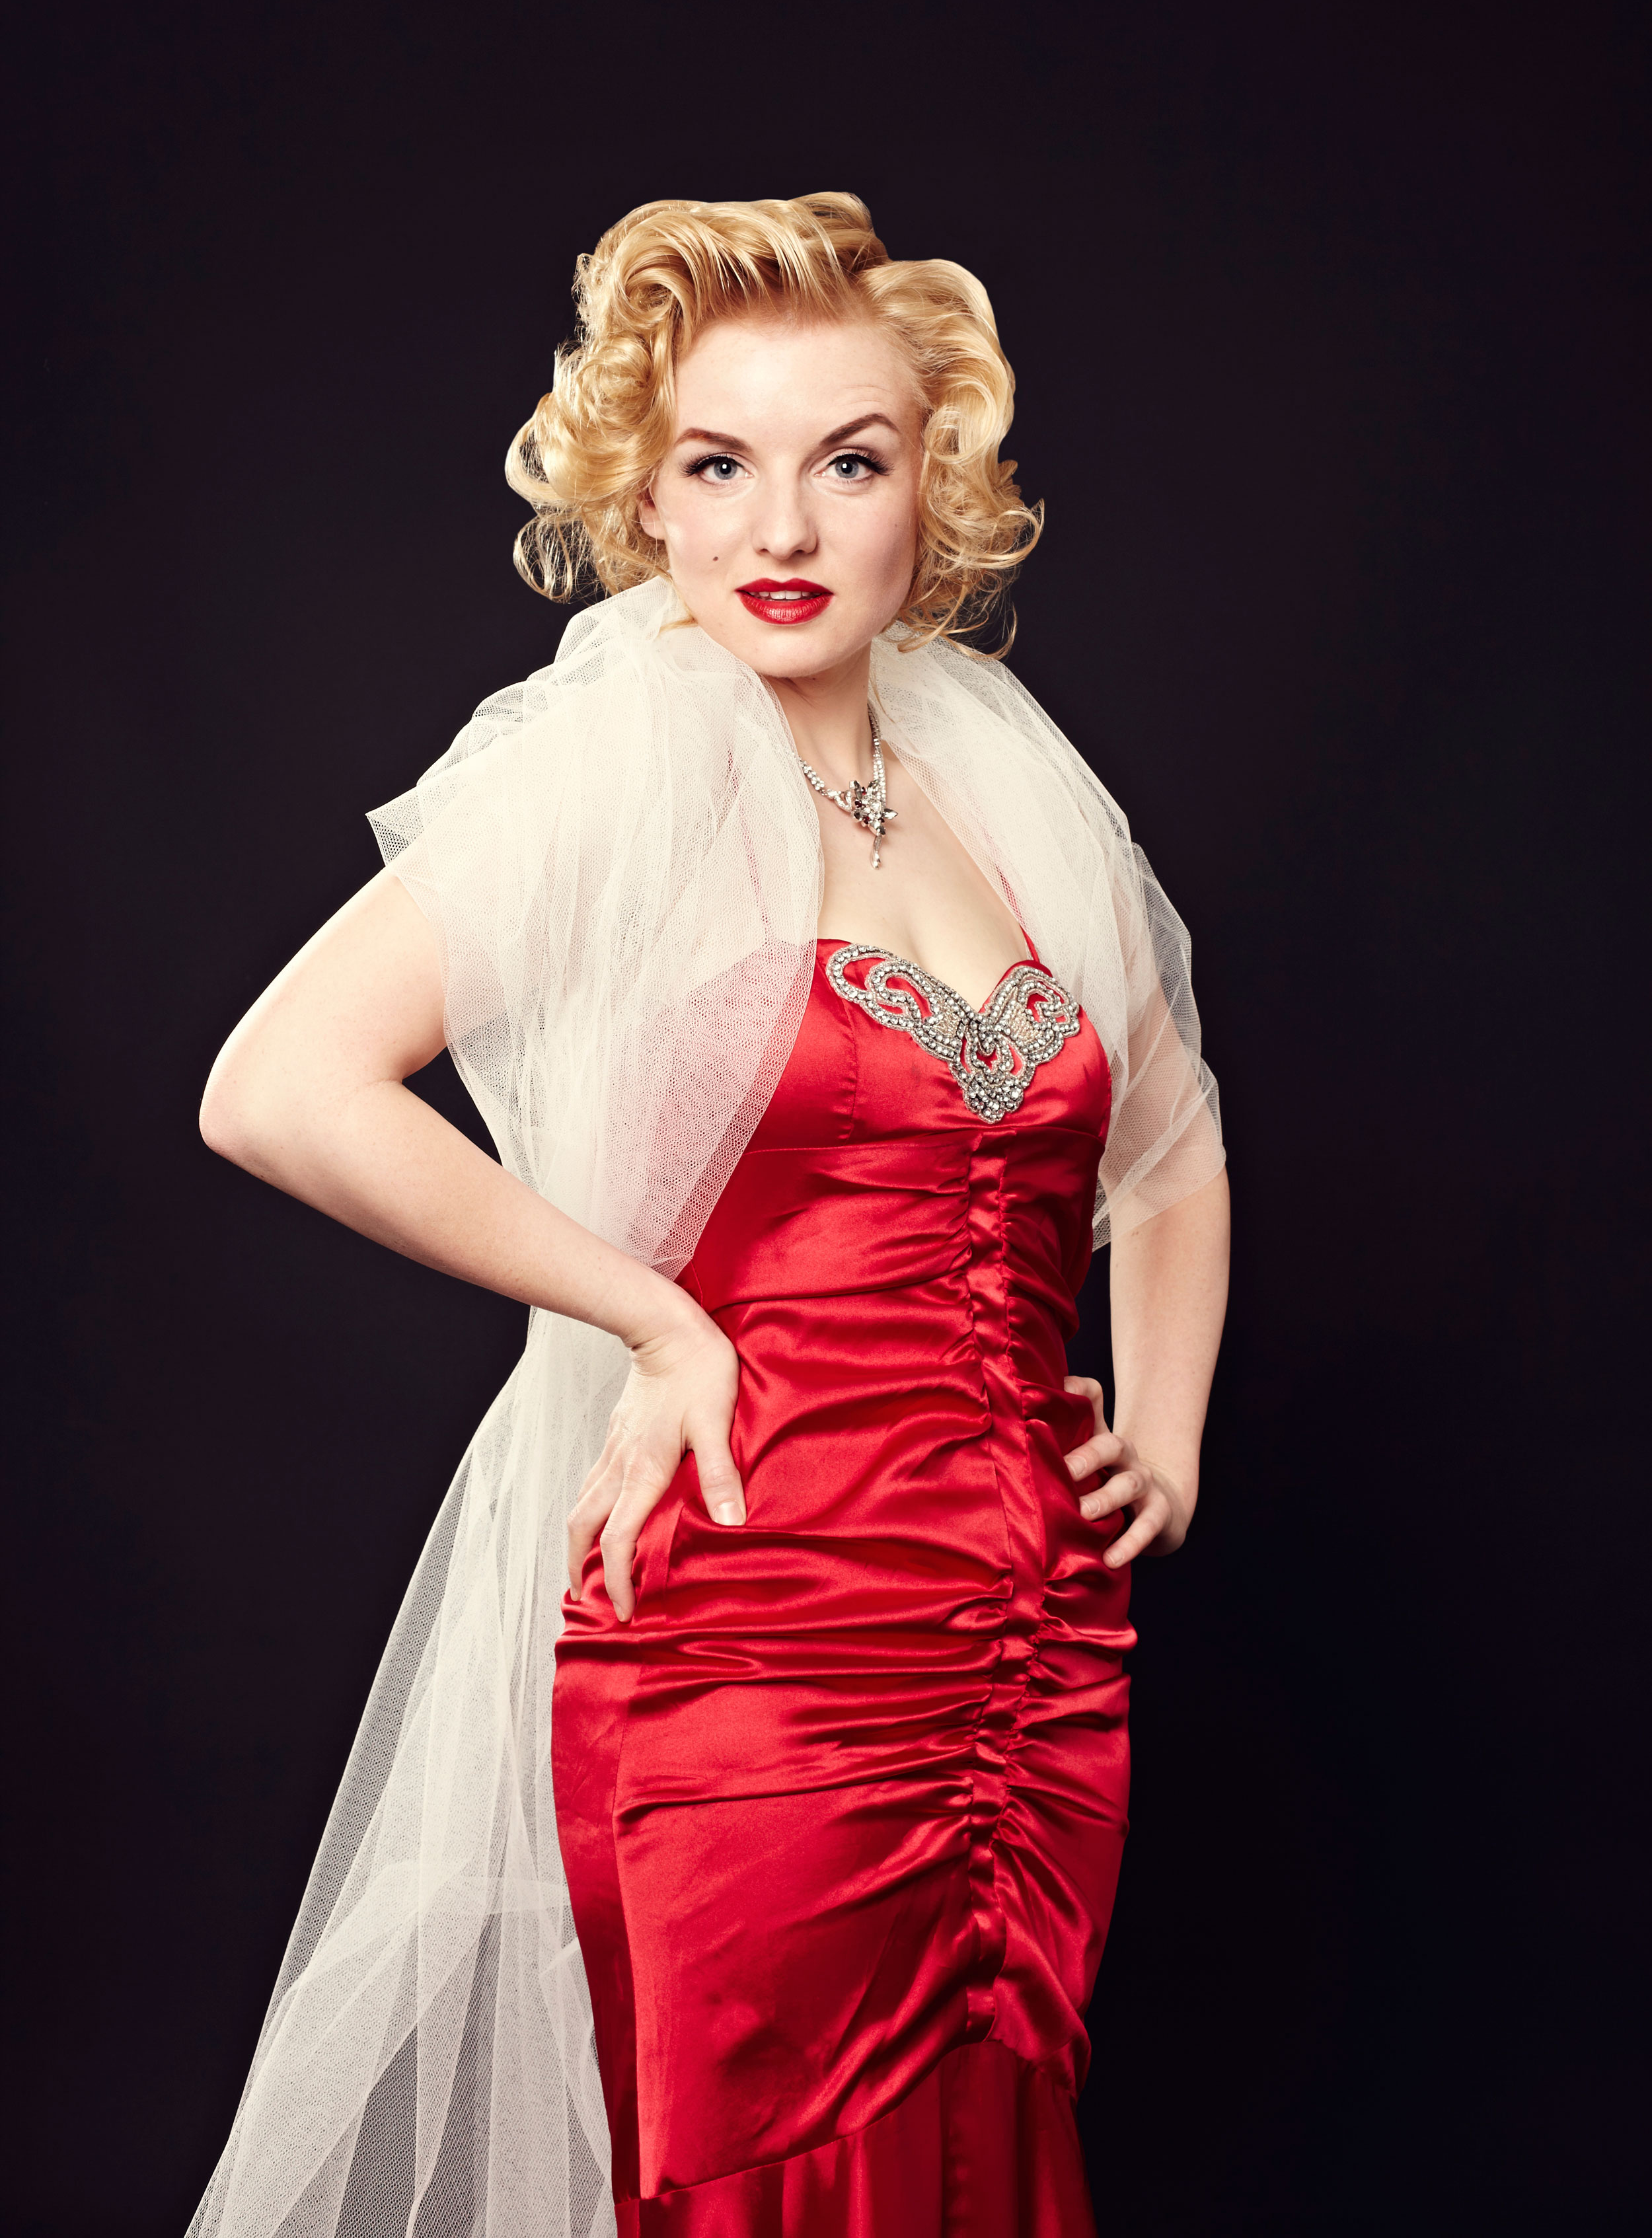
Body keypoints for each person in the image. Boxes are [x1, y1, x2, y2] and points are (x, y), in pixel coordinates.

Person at [190, 193, 1229, 2238]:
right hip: (745, 1634)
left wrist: (1166, 1436)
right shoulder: (619, 773)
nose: (782, 528)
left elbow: (1170, 1144)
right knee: (773, 2171)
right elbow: (276, 1088)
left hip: (1018, 1645)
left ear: (931, 491)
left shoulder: (992, 779)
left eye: (847, 462)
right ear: (645, 501)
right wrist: (651, 1319)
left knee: (980, 2159)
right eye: (717, 465)